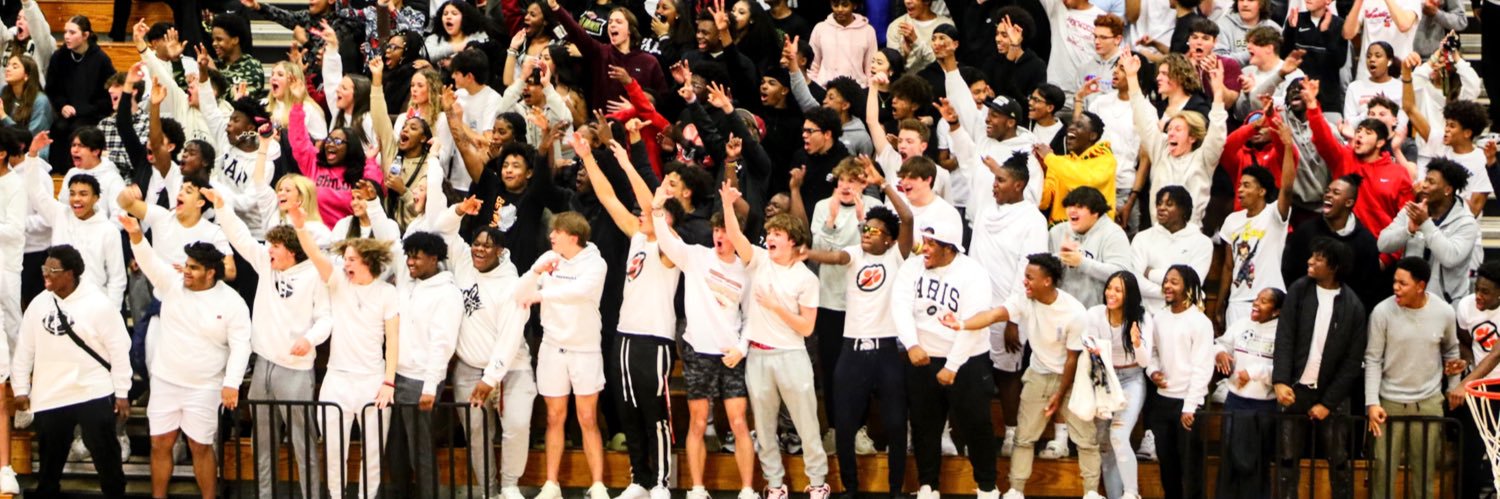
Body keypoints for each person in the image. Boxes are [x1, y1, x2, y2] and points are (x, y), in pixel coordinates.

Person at [205, 185, 330, 499]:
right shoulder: (266, 263)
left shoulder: (314, 275)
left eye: (274, 246)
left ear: (291, 250)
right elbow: (241, 238)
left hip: (297, 370)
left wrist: (309, 339)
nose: (268, 250)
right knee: (263, 442)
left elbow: (326, 319)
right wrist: (222, 208)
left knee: (303, 443)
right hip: (263, 365)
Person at [801, 159, 914, 499]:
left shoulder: (897, 257)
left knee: (895, 425)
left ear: (891, 240)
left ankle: (896, 489)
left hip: (887, 350)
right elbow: (833, 259)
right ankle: (850, 488)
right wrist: (806, 252)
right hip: (852, 349)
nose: (867, 234)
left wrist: (884, 185)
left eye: (875, 231)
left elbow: (907, 218)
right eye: (866, 229)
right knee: (845, 425)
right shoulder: (855, 254)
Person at [946, 253, 1098, 499]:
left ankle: (1091, 492)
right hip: (1038, 373)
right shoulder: (1024, 299)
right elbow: (994, 315)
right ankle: (1016, 490)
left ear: (1047, 281)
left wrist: (1060, 395)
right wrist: (961, 324)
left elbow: (1072, 359)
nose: (1024, 282)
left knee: (1086, 439)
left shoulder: (1075, 312)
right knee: (1024, 437)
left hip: (1071, 378)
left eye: (1029, 277)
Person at [121, 213, 251, 499]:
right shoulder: (172, 283)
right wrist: (135, 236)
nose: (186, 271)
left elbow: (242, 344)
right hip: (166, 381)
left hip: (205, 386)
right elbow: (150, 262)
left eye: (194, 267)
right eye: (187, 265)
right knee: (160, 444)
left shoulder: (232, 302)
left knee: (200, 447)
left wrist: (232, 383)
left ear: (211, 272)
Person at [719, 182, 830, 499]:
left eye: (776, 236)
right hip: (758, 356)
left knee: (806, 424)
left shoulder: (806, 279)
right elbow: (736, 237)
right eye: (768, 235)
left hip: (792, 355)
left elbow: (807, 328)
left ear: (793, 242)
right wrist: (728, 204)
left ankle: (818, 482)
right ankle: (775, 484)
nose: (769, 240)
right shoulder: (758, 260)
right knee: (764, 429)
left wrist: (776, 308)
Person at [650, 191, 757, 499]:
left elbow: (751, 316)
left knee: (738, 421)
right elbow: (668, 242)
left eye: (725, 230)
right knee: (697, 422)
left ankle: (748, 489)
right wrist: (657, 210)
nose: (719, 235)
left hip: (731, 356)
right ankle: (697, 488)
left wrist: (742, 347)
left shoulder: (746, 269)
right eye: (716, 230)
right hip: (698, 351)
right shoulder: (697, 256)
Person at [13, 245, 132, 498]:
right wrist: (21, 388)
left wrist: (122, 392)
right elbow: (24, 349)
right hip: (51, 393)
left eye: (53, 270)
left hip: (92, 389)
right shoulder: (38, 304)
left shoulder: (99, 304)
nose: (46, 274)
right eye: (45, 268)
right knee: (49, 464)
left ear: (71, 274)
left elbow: (120, 350)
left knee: (105, 456)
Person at [893, 222, 997, 499]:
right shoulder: (912, 268)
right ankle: (928, 486)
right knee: (924, 425)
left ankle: (987, 487)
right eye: (923, 241)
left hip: (967, 361)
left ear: (948, 248)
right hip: (923, 358)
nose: (923, 248)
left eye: (930, 244)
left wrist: (952, 366)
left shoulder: (972, 273)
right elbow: (900, 306)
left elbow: (972, 324)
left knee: (976, 425)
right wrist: (912, 344)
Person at [514, 211, 610, 499]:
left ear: (574, 236)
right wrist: (534, 273)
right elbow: (518, 292)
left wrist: (543, 295)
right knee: (554, 418)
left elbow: (579, 292)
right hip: (552, 347)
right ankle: (551, 484)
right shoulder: (548, 259)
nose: (551, 235)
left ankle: (597, 484)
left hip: (585, 349)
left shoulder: (596, 263)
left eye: (557, 232)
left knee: (587, 417)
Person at [967, 152, 1049, 457]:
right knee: (970, 372)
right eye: (994, 180)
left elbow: (1029, 272)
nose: (994, 186)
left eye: (1001, 180)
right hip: (976, 307)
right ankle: (969, 434)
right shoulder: (987, 211)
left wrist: (1014, 319)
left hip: (1010, 309)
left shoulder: (1033, 220)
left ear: (1019, 185)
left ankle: (1013, 433)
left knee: (1008, 375)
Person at [1272, 237, 1367, 499]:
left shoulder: (1354, 307)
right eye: (1311, 255)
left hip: (1333, 397)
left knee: (1339, 460)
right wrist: (1280, 380)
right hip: (1294, 389)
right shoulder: (1298, 291)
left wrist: (1328, 402)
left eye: (1318, 258)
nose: (1310, 261)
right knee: (1287, 460)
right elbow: (1284, 337)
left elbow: (1351, 363)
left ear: (1334, 266)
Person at [1365, 256, 1462, 499]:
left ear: (1421, 286)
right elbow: (1373, 359)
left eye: (1402, 283)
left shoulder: (1444, 312)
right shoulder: (1381, 312)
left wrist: (1453, 387)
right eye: (1394, 282)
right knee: (1382, 473)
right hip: (1389, 403)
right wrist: (1372, 402)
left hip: (1429, 402)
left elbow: (1452, 351)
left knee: (1426, 473)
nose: (1395, 287)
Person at [385, 230, 462, 498]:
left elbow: (442, 345)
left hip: (421, 382)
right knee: (396, 450)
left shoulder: (448, 294)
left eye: (416, 258)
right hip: (395, 378)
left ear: (434, 258)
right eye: (408, 257)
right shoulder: (409, 284)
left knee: (421, 452)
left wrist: (430, 387)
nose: (410, 263)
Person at [1123, 49, 1226, 224]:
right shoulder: (1160, 150)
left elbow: (1217, 134)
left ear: (1192, 137)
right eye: (1169, 128)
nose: (1170, 132)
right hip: (1157, 235)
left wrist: (1218, 93)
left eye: (1178, 129)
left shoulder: (1203, 158)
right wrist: (1132, 77)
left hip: (1190, 238)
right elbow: (1143, 115)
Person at [1144, 265, 1215, 499]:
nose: (1167, 286)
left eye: (1174, 282)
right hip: (1163, 401)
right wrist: (1153, 372)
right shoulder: (1160, 317)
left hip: (1188, 403)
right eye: (1166, 281)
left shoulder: (1200, 321)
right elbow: (1152, 352)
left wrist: (1190, 406)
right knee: (1167, 465)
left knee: (1191, 466)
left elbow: (1203, 367)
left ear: (1188, 287)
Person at [1216, 132, 1296, 326]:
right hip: (1236, 302)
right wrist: (1220, 304)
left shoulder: (1274, 214)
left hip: (1268, 301)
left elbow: (1286, 187)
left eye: (1246, 185)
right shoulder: (1231, 221)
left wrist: (1287, 148)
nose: (1240, 190)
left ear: (1261, 191)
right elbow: (1228, 266)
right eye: (1239, 185)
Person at [22, 168, 126, 312]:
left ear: (96, 198)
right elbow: (36, 192)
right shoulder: (59, 214)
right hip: (57, 301)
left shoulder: (109, 230)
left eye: (83, 194)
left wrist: (112, 312)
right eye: (72, 194)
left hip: (94, 304)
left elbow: (117, 279)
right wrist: (32, 157)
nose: (76, 199)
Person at [1214, 287, 1285, 499]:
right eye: (1256, 299)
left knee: (1257, 462)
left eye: (1264, 301)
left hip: (1264, 406)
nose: (1256, 303)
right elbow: (1220, 343)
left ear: (1276, 311)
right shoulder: (1241, 324)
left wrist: (1254, 373)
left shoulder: (1282, 332)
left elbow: (1284, 373)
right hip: (1235, 401)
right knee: (1229, 459)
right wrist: (1220, 353)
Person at [1089, 272, 1154, 499]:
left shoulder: (1143, 318)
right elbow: (1090, 352)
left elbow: (1145, 363)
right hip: (1104, 378)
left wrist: (1137, 343)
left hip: (1132, 378)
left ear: (1129, 295)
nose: (1111, 293)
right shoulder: (1095, 314)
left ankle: (1131, 493)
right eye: (1110, 288)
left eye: (1118, 290)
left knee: (1118, 435)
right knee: (1105, 446)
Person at [1280, 175, 1389, 310]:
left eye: (1336, 193)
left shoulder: (1365, 242)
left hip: (1344, 318)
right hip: (1303, 310)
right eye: (1327, 191)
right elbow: (1289, 272)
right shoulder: (1305, 231)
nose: (1328, 195)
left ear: (1348, 202)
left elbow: (1369, 289)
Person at [1377, 158, 1479, 301]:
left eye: (1431, 182)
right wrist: (1408, 230)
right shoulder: (1412, 211)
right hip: (1408, 299)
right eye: (1425, 180)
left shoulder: (1466, 222)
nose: (1423, 185)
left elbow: (1450, 258)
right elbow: (1383, 244)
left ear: (1447, 190)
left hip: (1445, 305)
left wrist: (1425, 223)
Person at [1451, 261, 1500, 499]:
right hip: (1480, 390)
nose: (1478, 296)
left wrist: (1464, 383)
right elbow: (1462, 338)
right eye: (1477, 289)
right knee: (1471, 451)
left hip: (1490, 383)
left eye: (1486, 292)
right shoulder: (1466, 306)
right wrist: (1466, 359)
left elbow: (1496, 354)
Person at [45, 16, 116, 172]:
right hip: (67, 113)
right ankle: (56, 173)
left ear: (85, 35)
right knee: (59, 128)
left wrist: (85, 109)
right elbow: (52, 88)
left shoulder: (101, 59)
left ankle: (78, 171)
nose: (66, 36)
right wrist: (62, 105)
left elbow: (108, 95)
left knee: (79, 131)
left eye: (72, 32)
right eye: (65, 32)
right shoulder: (59, 57)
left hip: (92, 113)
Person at [1048, 187, 1132, 310]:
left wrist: (1082, 263)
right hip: (1061, 311)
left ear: (1095, 212)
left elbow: (1122, 273)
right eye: (1070, 206)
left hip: (1097, 315)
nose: (1072, 211)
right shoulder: (1057, 231)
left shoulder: (1113, 234)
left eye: (1080, 207)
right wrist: (1057, 259)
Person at [1131, 187, 1212, 310]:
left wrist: (1151, 274)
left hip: (1183, 316)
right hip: (1146, 314)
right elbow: (1135, 280)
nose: (1161, 208)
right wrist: (1173, 291)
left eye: (1169, 204)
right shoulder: (1142, 237)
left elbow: (1192, 284)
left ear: (1183, 210)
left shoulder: (1202, 242)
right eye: (1159, 203)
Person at [1038, 111, 1116, 223]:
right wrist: (1039, 172)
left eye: (1079, 125)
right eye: (1071, 124)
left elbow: (1085, 181)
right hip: (1062, 232)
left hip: (1096, 232)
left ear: (1092, 136)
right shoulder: (1060, 163)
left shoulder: (1106, 160)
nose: (1071, 128)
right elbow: (1043, 203)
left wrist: (1049, 158)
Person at [806, 0, 877, 87]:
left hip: (857, 91)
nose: (840, 9)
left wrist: (870, 91)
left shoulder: (868, 31)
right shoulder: (820, 28)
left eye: (845, 5)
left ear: (854, 5)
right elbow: (812, 65)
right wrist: (814, 88)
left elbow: (871, 68)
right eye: (835, 5)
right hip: (824, 89)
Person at [206, 14, 265, 101]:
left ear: (235, 40)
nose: (214, 44)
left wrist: (216, 74)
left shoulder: (252, 66)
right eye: (213, 40)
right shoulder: (213, 64)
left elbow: (241, 100)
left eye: (219, 39)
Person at [0, 55, 51, 137]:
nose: (8, 69)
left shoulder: (40, 100)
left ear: (26, 76)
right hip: (8, 144)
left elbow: (31, 135)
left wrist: (3, 116)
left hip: (34, 147)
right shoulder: (2, 91)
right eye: (8, 65)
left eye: (15, 67)